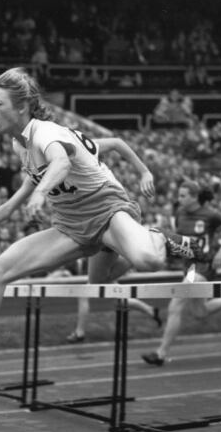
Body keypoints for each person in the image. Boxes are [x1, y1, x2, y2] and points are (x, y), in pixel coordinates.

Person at [0, 67, 205, 371]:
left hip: (105, 209)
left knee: (149, 260)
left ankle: (162, 238)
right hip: (71, 224)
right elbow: (13, 203)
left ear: (22, 107)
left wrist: (42, 193)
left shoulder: (46, 133)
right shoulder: (21, 145)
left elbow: (61, 163)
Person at [67, 136, 163, 343]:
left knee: (92, 286)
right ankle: (148, 306)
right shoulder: (57, 160)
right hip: (103, 220)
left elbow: (118, 143)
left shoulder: (75, 150)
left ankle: (80, 332)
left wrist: (145, 171)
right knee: (104, 283)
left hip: (108, 219)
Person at [141, 180, 221, 366]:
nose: (178, 199)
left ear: (194, 197)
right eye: (179, 195)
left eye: (183, 196)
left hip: (205, 265)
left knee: (176, 303)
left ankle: (161, 353)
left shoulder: (211, 214)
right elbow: (180, 239)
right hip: (189, 267)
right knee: (200, 312)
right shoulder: (180, 213)